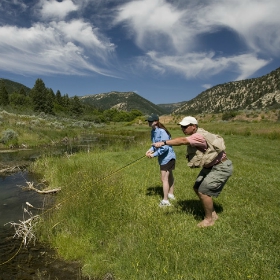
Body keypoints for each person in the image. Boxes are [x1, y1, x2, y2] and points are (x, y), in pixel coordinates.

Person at [153, 116, 233, 227]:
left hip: (220, 167)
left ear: (194, 126)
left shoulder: (197, 136)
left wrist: (164, 143)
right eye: (181, 126)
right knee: (197, 187)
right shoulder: (198, 133)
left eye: (185, 127)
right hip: (210, 167)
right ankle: (213, 213)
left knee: (203, 191)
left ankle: (209, 220)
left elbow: (182, 141)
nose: (183, 129)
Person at [145, 114, 176, 207]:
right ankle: (171, 194)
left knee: (164, 179)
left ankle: (165, 201)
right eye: (148, 121)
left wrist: (154, 155)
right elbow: (154, 144)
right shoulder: (153, 131)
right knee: (169, 175)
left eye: (150, 121)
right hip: (164, 158)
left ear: (156, 122)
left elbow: (165, 147)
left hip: (168, 157)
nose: (149, 123)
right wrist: (150, 150)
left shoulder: (162, 132)